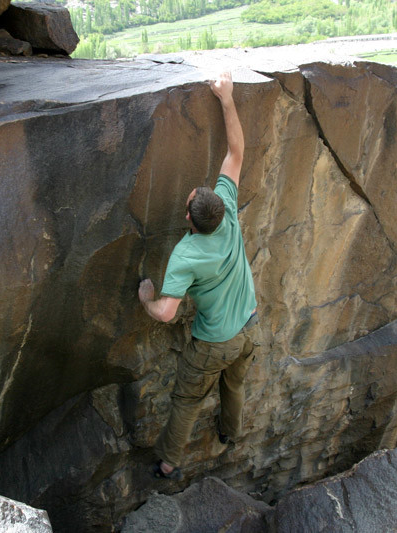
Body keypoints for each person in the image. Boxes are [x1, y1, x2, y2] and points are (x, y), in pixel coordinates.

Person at [138, 71, 259, 480]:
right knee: (234, 385)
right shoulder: (227, 208)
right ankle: (230, 433)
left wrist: (147, 298)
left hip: (215, 342)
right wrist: (226, 97)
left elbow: (167, 313)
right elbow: (237, 149)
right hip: (249, 326)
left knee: (187, 399)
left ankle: (169, 462)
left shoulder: (185, 254)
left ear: (190, 218)